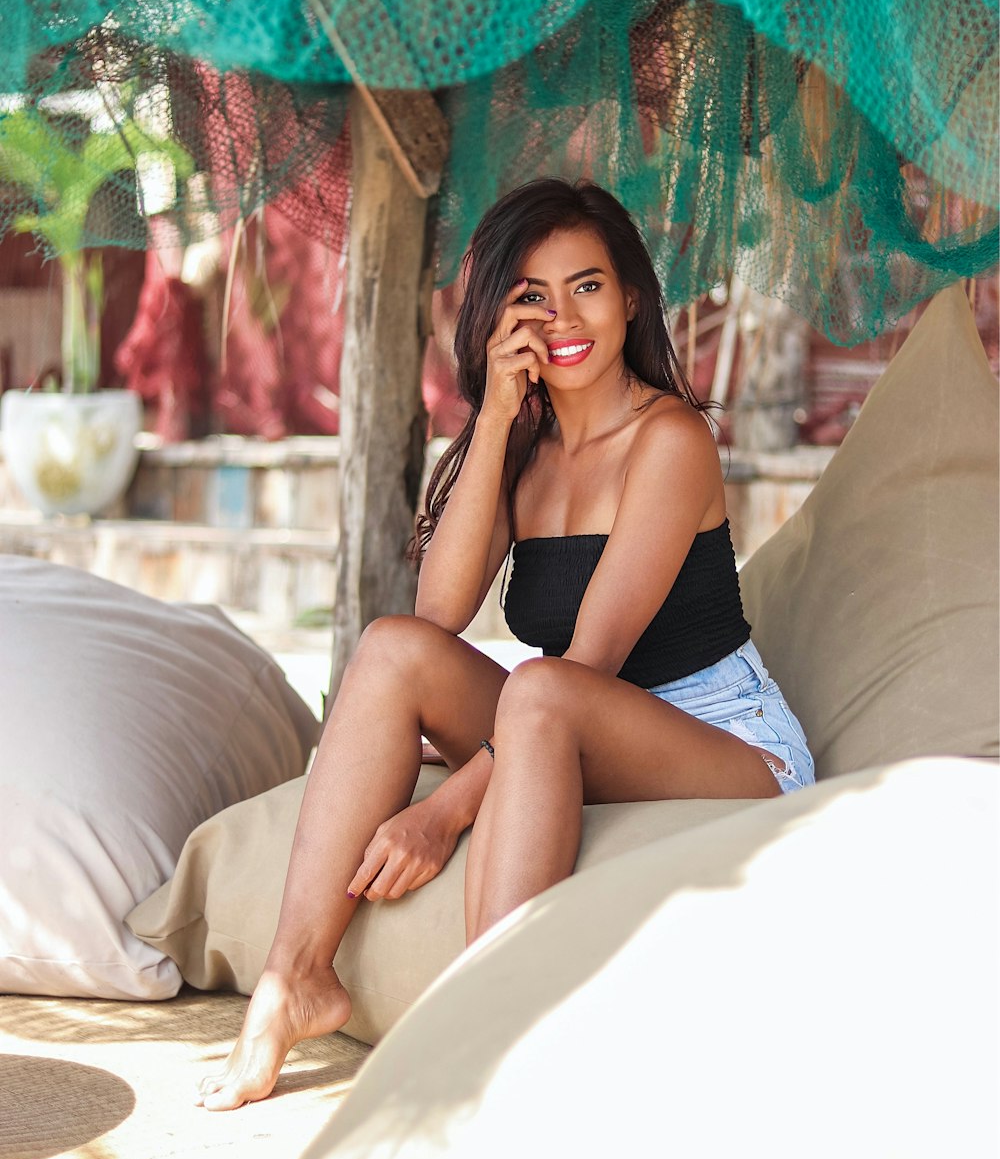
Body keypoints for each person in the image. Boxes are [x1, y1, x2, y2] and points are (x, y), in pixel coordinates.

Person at [197, 178, 814, 1111]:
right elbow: (439, 614)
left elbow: (588, 666)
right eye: (532, 294)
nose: (563, 317)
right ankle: (295, 981)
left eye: (588, 286)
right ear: (498, 315)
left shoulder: (671, 439)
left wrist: (440, 815)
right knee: (390, 648)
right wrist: (493, 416)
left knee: (538, 687)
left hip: (722, 738)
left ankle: (480, 1039)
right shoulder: (525, 452)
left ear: (633, 297)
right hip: (569, 720)